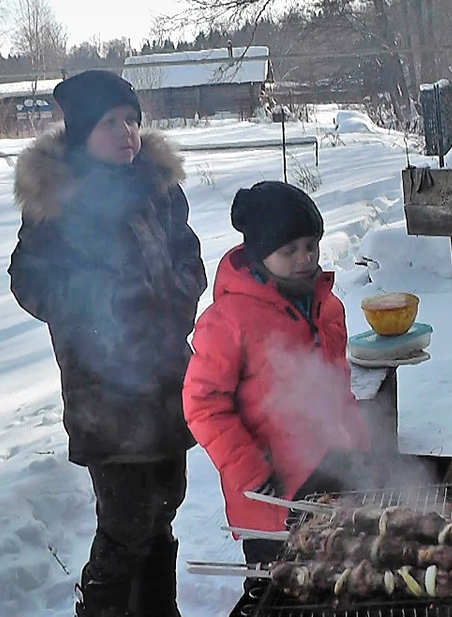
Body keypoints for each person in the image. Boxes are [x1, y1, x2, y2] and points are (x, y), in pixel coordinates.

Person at [7, 69, 208, 617]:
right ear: (80, 133)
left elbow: (189, 256)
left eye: (132, 121)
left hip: (167, 379)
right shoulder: (59, 203)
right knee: (125, 526)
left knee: (165, 506)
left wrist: (179, 296)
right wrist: (96, 311)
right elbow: (29, 280)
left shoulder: (159, 189)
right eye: (110, 122)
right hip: (106, 393)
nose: (127, 133)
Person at [182, 181, 371, 612]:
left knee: (334, 589)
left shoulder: (327, 307)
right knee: (282, 596)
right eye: (290, 251)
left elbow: (337, 387)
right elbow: (202, 404)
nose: (306, 259)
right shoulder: (228, 320)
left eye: (311, 246)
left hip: (327, 476)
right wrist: (254, 477)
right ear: (258, 254)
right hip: (269, 500)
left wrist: (360, 449)